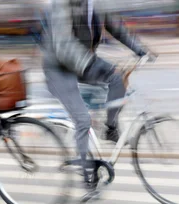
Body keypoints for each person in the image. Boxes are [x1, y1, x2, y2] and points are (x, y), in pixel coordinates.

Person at [41, 0, 154, 185]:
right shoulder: (63, 4)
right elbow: (63, 45)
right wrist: (93, 65)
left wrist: (140, 50)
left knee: (117, 79)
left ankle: (110, 128)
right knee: (83, 119)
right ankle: (87, 176)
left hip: (83, 61)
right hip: (59, 67)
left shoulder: (96, 3)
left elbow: (117, 28)